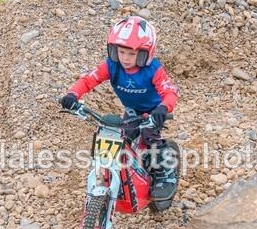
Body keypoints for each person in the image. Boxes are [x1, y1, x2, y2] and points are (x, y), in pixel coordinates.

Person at [59, 16, 179, 200]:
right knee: (120, 138)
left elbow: (170, 92)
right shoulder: (112, 66)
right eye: (122, 52)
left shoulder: (153, 70)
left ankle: (166, 173)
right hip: (131, 111)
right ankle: (124, 178)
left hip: (153, 111)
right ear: (114, 50)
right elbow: (88, 80)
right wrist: (72, 95)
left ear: (145, 54)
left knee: (149, 136)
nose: (125, 58)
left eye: (132, 54)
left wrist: (163, 108)